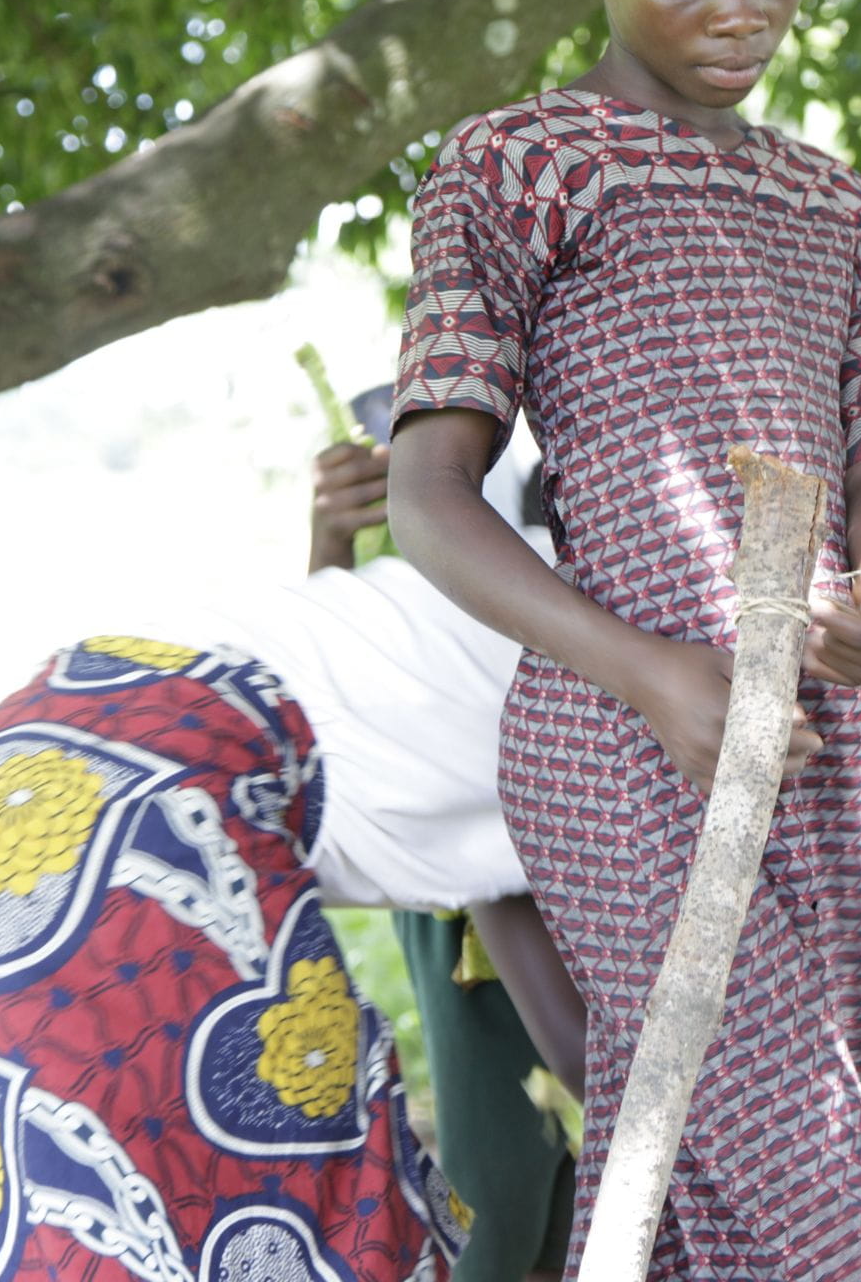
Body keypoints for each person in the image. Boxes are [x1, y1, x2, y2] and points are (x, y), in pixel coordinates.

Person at [382, 0, 861, 1282]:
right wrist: (655, 673)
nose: (741, 14)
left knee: (746, 1189)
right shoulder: (515, 168)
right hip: (618, 741)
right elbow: (428, 501)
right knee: (818, 1199)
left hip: (816, 750)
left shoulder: (831, 205)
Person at [0, 442, 573, 1278]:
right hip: (134, 828)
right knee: (313, 1229)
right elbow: (583, 1038)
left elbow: (541, 976)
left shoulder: (500, 601)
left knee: (96, 1226)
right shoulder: (633, 673)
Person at [314, 399, 579, 1282]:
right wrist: (333, 535)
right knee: (502, 1172)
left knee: (568, 1178)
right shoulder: (452, 450)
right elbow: (352, 667)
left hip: (571, 827)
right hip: (469, 845)